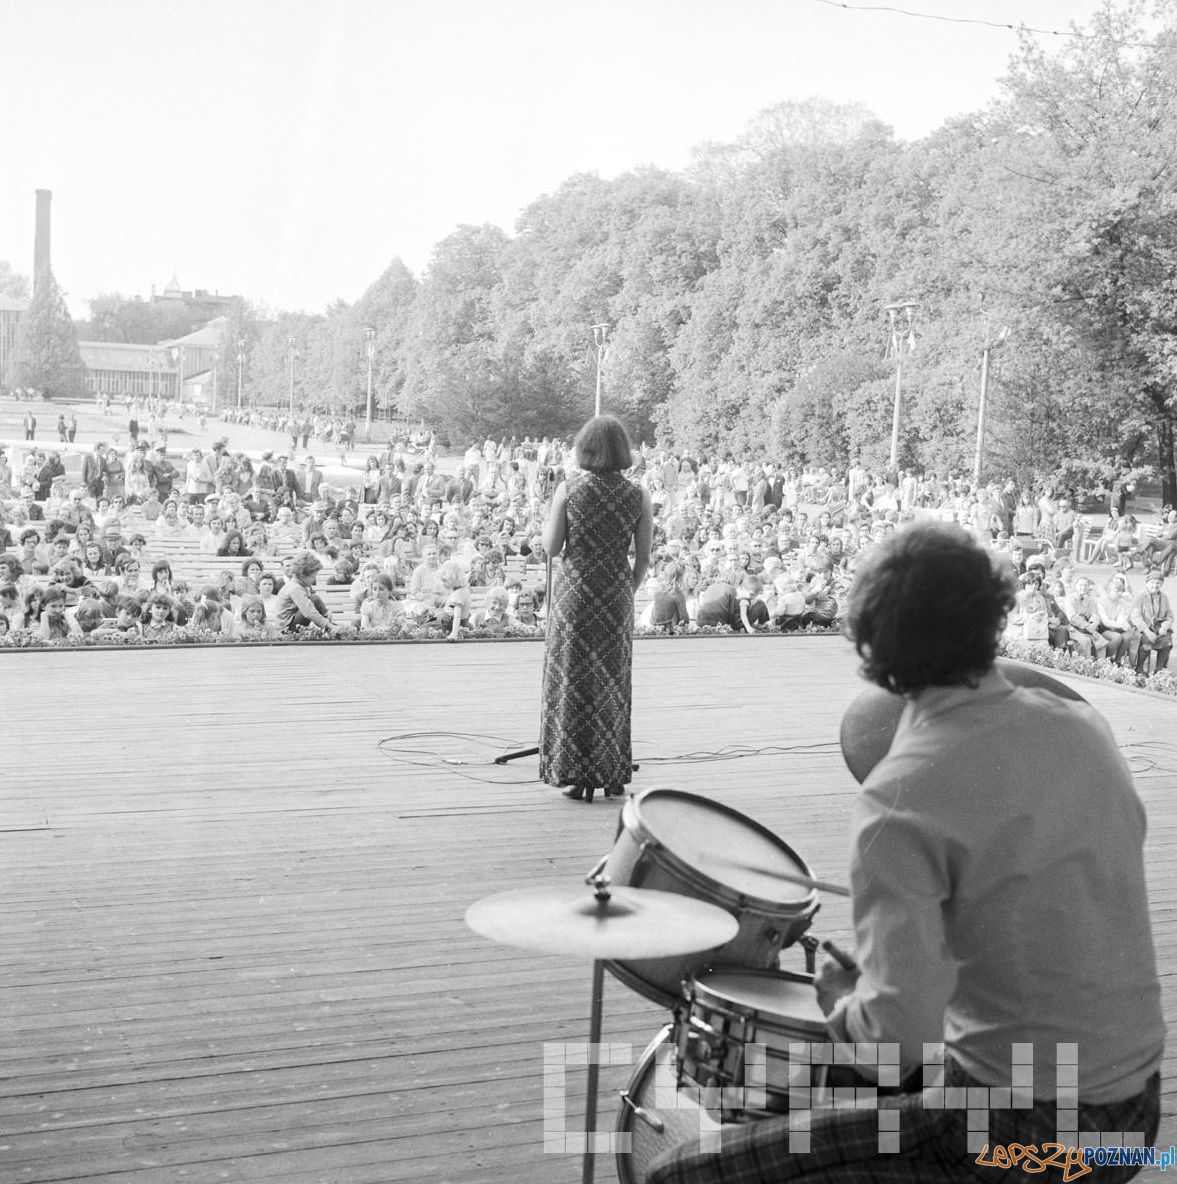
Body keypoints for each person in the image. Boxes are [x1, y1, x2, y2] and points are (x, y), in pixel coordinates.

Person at [647, 522, 1163, 1184]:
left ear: (872, 647)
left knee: (681, 1174)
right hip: (1133, 1110)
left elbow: (892, 1050)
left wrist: (846, 1001)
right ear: (991, 617)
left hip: (1019, 1130)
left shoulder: (900, 797)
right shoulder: (1081, 727)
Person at [539, 414, 652, 803]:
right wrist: (625, 591)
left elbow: (552, 547)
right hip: (615, 595)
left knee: (572, 680)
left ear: (584, 449)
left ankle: (575, 772)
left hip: (574, 595)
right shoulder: (638, 494)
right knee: (611, 682)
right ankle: (611, 771)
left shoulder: (569, 489)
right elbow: (643, 557)